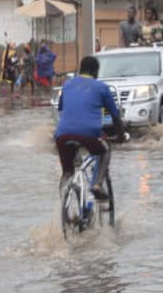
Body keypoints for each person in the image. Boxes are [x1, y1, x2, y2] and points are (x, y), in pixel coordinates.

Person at [54, 55, 129, 201]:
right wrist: (121, 135)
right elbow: (116, 117)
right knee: (105, 150)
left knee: (67, 172)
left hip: (62, 135)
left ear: (80, 70)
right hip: (89, 134)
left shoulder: (67, 85)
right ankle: (97, 185)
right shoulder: (102, 87)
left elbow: (61, 108)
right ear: (96, 72)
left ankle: (64, 204)